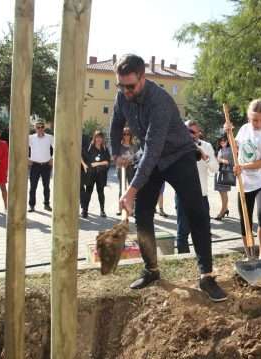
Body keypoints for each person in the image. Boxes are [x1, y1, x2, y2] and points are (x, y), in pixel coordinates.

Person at [110, 54, 226, 302]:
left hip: (178, 156)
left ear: (143, 78)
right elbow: (115, 125)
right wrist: (116, 152)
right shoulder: (122, 95)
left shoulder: (159, 101)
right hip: (151, 156)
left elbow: (153, 148)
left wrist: (131, 190)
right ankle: (151, 269)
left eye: (130, 86)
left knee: (196, 212)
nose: (125, 91)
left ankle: (206, 276)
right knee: (143, 214)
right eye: (121, 85)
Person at [229, 99, 261, 264]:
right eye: (254, 119)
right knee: (245, 219)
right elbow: (236, 146)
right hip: (245, 181)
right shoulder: (244, 129)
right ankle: (249, 255)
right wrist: (229, 134)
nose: (258, 123)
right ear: (249, 116)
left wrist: (243, 166)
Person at [175, 120, 218, 254]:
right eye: (187, 131)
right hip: (183, 196)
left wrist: (204, 156)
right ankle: (184, 260)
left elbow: (215, 169)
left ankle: (206, 260)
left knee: (204, 231)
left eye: (193, 132)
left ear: (199, 133)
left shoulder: (206, 145)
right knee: (182, 232)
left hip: (201, 196)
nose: (190, 135)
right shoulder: (177, 146)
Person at [81, 130, 110, 218]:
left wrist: (97, 164)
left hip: (101, 174)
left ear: (102, 139)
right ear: (94, 138)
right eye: (97, 137)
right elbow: (81, 156)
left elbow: (107, 162)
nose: (99, 139)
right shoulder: (89, 147)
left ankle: (102, 210)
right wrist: (84, 165)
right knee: (88, 192)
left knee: (100, 192)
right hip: (91, 174)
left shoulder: (104, 148)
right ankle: (84, 210)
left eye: (100, 137)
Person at [28, 119, 53, 212]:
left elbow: (56, 147)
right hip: (35, 165)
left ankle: (47, 204)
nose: (40, 129)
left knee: (46, 186)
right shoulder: (30, 138)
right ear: (35, 128)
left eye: (42, 127)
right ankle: (31, 205)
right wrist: (28, 158)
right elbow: (23, 147)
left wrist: (52, 158)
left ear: (44, 127)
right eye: (38, 127)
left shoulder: (50, 137)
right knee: (33, 186)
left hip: (46, 165)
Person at [115, 127, 138, 216]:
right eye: (124, 134)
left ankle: (131, 209)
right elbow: (115, 157)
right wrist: (121, 161)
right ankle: (120, 209)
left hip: (131, 168)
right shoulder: (119, 146)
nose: (126, 136)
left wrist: (129, 162)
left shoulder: (134, 146)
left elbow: (137, 158)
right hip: (121, 169)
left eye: (128, 134)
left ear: (130, 135)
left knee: (131, 189)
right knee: (122, 188)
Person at [214, 136, 233, 220]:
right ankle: (225, 208)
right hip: (219, 172)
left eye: (224, 140)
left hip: (226, 173)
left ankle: (222, 211)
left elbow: (230, 162)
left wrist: (220, 160)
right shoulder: (220, 149)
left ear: (227, 141)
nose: (222, 142)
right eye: (220, 141)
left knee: (223, 192)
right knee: (221, 193)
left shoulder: (230, 150)